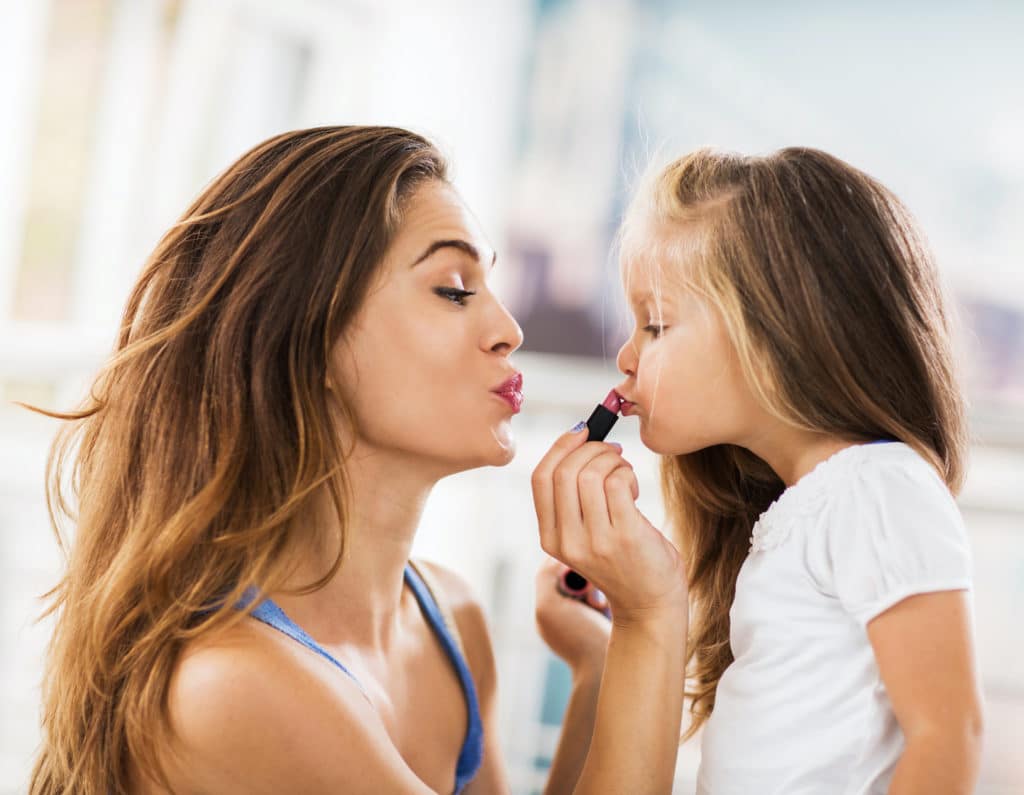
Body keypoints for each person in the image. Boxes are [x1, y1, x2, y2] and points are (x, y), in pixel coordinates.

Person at [28, 125, 687, 795]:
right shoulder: (236, 687)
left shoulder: (451, 619)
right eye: (455, 289)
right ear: (308, 341)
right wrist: (650, 616)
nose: (508, 330)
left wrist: (599, 665)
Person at [569, 145, 983, 793]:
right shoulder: (796, 511)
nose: (626, 355)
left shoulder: (879, 488)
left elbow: (947, 733)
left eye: (654, 325)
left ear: (774, 336)